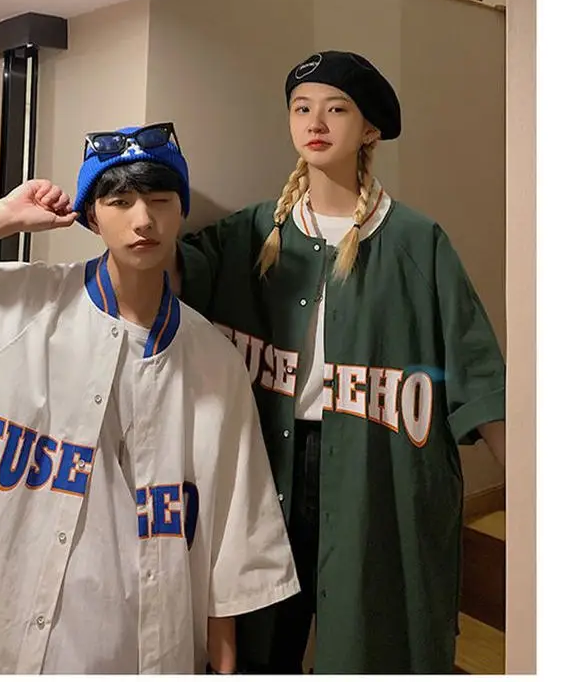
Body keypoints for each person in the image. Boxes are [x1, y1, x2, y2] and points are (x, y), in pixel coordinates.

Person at [0, 122, 299, 675]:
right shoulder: (11, 308)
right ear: (91, 216)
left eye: (160, 201)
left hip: (123, 648)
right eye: (119, 202)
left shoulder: (213, 361)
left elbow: (231, 544)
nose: (143, 220)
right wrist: (1, 216)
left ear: (180, 212)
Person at [172, 52, 506, 674]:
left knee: (371, 633)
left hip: (375, 469)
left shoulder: (414, 241)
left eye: (337, 109)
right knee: (258, 631)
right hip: (270, 466)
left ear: (369, 128)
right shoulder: (252, 234)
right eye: (302, 108)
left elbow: (479, 373)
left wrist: (537, 500)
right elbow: (169, 280)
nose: (315, 122)